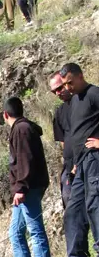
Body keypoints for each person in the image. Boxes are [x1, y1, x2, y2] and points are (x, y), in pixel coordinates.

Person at [2, 96, 52, 257]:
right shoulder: (24, 128)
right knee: (15, 233)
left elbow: (25, 161)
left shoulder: (21, 130)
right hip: (25, 189)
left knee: (35, 230)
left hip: (28, 188)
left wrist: (21, 188)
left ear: (6, 114)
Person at [59, 63, 99, 257]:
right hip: (80, 163)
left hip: (95, 159)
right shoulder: (74, 102)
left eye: (70, 82)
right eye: (64, 84)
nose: (68, 87)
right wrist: (74, 162)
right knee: (74, 210)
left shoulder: (94, 94)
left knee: (95, 204)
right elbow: (76, 133)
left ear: (80, 76)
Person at [50, 72, 74, 209]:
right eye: (54, 92)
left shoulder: (87, 101)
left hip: (90, 162)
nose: (58, 93)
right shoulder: (59, 113)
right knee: (70, 207)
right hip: (70, 167)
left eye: (59, 88)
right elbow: (64, 143)